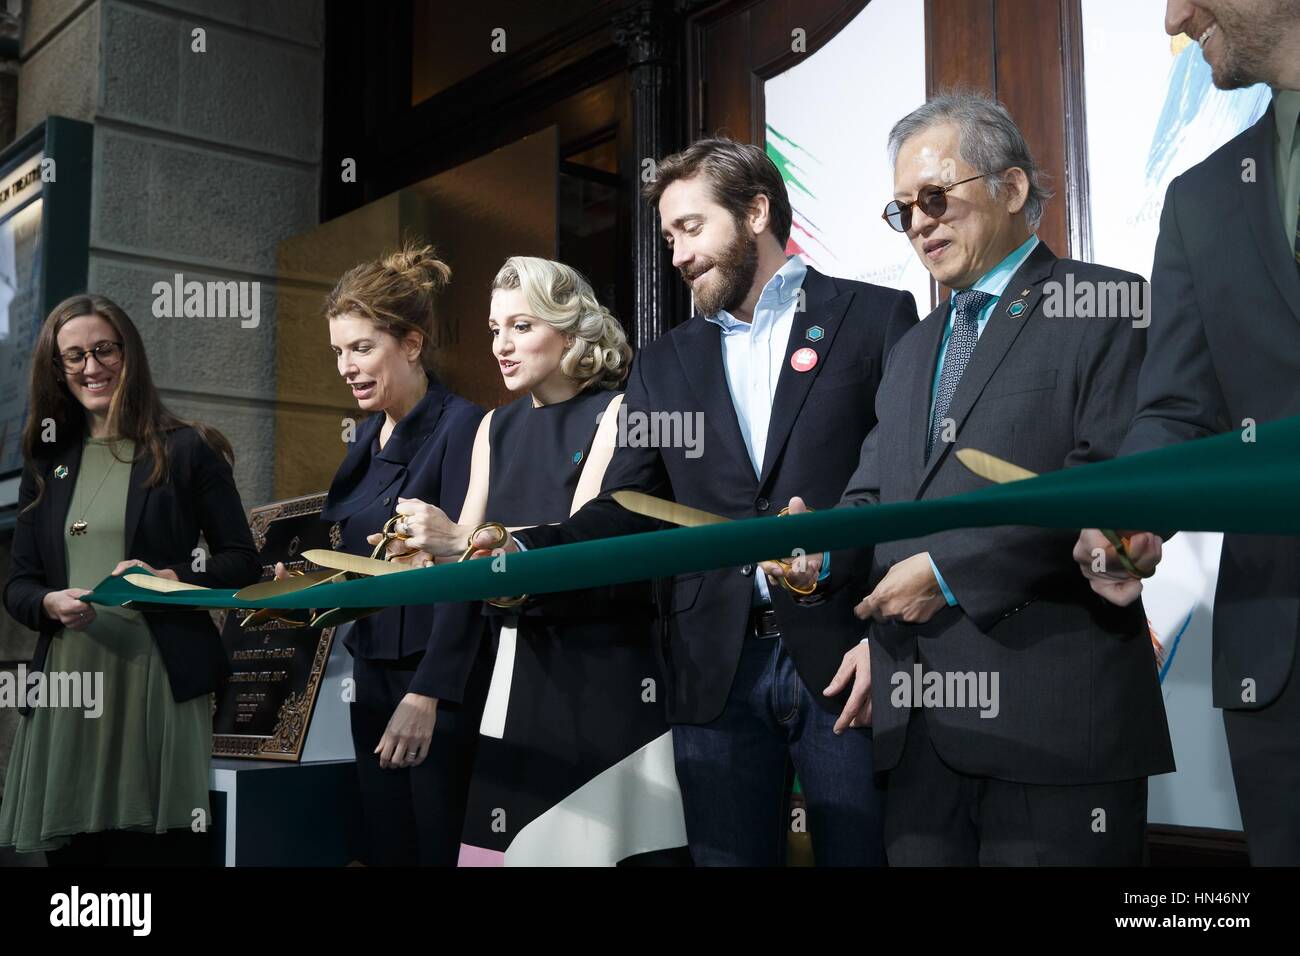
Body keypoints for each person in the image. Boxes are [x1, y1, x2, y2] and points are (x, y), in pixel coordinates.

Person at [397, 139, 918, 865]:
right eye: (669, 236)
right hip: (713, 672)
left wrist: (887, 642)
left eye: (692, 228)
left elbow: (910, 484)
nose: (676, 254)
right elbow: (629, 506)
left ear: (756, 212)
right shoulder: (668, 361)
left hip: (845, 659)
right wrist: (518, 552)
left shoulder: (877, 318)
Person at [820, 92, 1174, 865]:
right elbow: (875, 494)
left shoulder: (1106, 304)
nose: (917, 222)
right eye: (901, 209)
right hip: (917, 740)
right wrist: (813, 547)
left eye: (935, 198)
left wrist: (948, 573)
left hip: (1051, 729)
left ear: (1012, 190)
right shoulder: (913, 347)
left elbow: (1107, 483)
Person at [1076, 0, 1300, 865]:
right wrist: (1131, 516)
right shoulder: (1201, 199)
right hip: (1280, 661)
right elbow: (1177, 409)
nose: (1174, 12)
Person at [387, 256, 688, 865]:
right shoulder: (493, 426)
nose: (501, 345)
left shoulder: (620, 412)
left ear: (572, 330)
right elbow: (467, 556)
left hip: (598, 670)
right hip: (511, 667)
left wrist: (458, 541)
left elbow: (581, 543)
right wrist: (420, 552)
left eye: (521, 326)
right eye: (495, 328)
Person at [1, 293, 260, 865]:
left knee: (155, 855)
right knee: (78, 869)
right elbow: (17, 585)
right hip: (69, 684)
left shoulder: (188, 448)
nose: (91, 368)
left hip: (159, 678)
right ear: (57, 368)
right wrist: (47, 602)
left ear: (129, 353)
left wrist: (170, 575)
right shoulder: (45, 462)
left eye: (103, 350)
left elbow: (242, 560)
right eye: (73, 357)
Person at [299, 245, 489, 866]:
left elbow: (472, 572)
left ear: (410, 343)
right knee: (387, 852)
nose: (345, 367)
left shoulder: (466, 427)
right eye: (338, 351)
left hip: (435, 685)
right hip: (375, 674)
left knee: (434, 851)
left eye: (361, 348)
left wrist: (429, 694)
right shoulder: (366, 434)